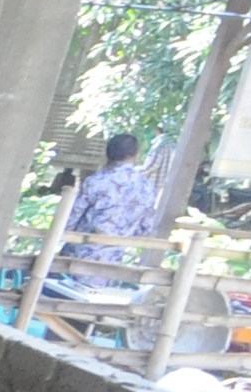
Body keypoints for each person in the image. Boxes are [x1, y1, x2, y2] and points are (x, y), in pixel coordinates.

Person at [54, 128, 170, 300]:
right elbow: (145, 228)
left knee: (62, 303)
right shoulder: (147, 187)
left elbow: (69, 221)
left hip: (80, 257)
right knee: (97, 308)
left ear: (108, 154)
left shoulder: (95, 182)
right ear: (136, 155)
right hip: (113, 260)